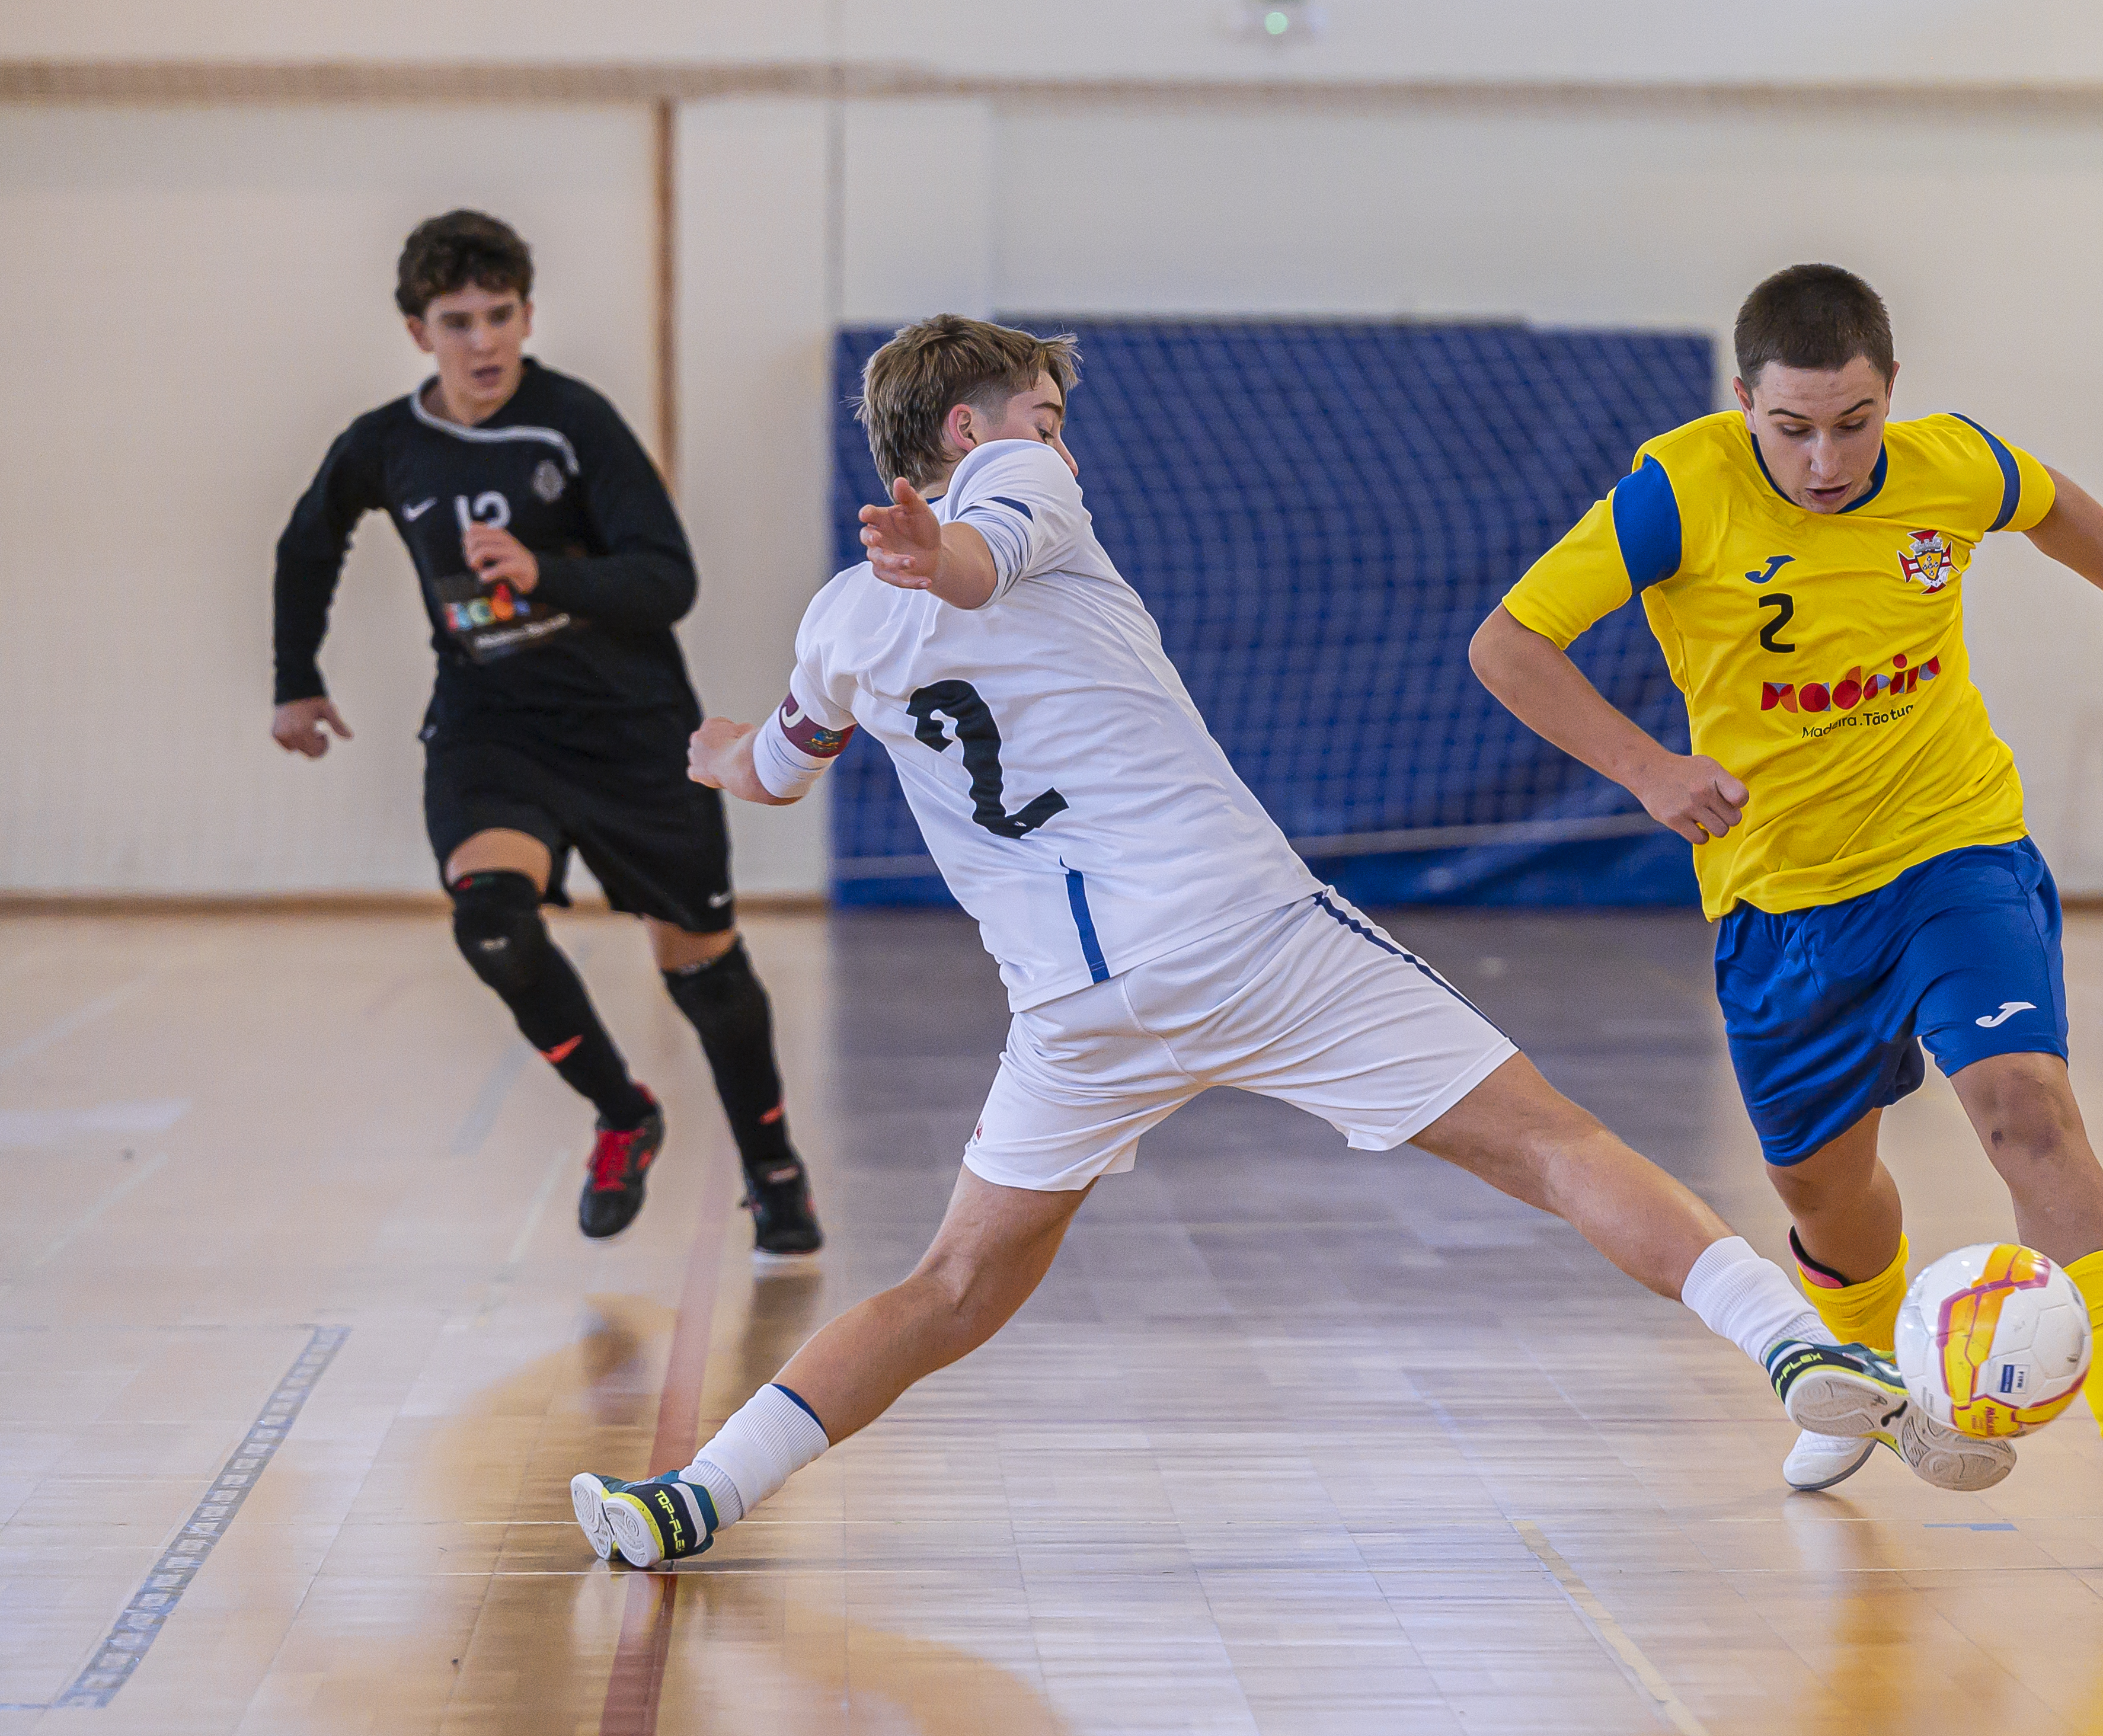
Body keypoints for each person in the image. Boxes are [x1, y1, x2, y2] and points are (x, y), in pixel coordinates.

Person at [570, 314, 2009, 1573]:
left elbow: (779, 762)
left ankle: (701, 1495)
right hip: (1233, 928)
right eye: (1047, 419)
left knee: (951, 1286)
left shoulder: (835, 623)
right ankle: (1794, 1341)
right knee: (1554, 1146)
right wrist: (944, 553)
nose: (1065, 447)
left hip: (1076, 1003)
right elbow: (985, 552)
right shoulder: (1017, 483)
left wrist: (719, 755)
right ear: (970, 427)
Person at [1469, 264, 2103, 1548]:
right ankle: (1859, 1368)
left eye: (1853, 422)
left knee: (2027, 1113)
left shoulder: (1948, 466)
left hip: (1951, 847)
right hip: (1781, 902)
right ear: (1741, 401)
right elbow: (1507, 644)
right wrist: (1648, 770)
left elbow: (2050, 509)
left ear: (1891, 396)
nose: (1825, 458)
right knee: (1824, 1193)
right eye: (1792, 427)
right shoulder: (1675, 492)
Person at [270, 210, 820, 1252]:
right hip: (492, 726)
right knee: (491, 923)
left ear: (526, 313)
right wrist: (295, 679)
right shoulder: (386, 444)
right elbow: (309, 542)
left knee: (706, 975)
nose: (482, 341)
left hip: (630, 730)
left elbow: (669, 580)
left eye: (501, 315)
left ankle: (773, 1167)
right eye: (457, 320)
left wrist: (543, 572)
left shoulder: (575, 423)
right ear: (415, 329)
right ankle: (623, 1112)